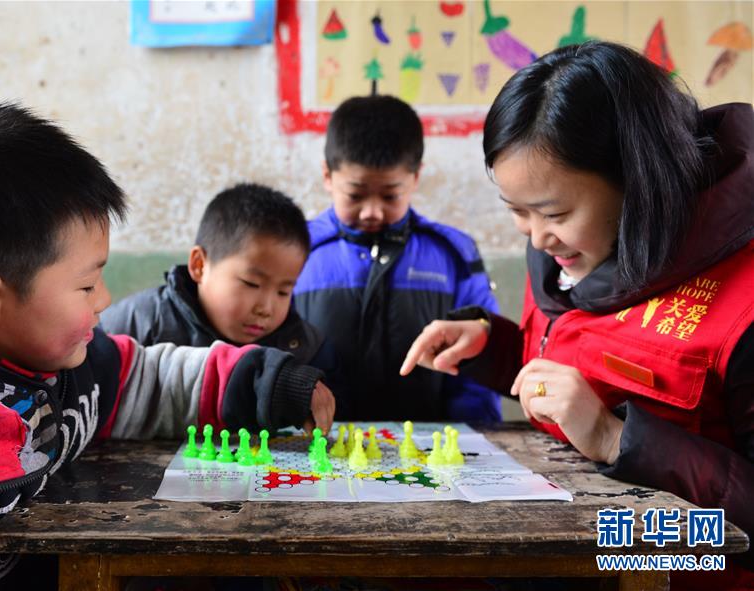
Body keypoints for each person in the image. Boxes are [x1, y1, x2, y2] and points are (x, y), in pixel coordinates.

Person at [0, 102, 335, 590]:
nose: (104, 299)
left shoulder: (69, 367)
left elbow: (145, 377)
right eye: (86, 286)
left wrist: (268, 383)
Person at [401, 41, 754, 588]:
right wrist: (491, 348)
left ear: (638, 183)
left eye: (554, 213)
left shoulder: (743, 302)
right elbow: (581, 356)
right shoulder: (569, 253)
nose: (538, 237)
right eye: (517, 212)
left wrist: (615, 439)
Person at [293, 94, 501, 422]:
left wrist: (473, 438)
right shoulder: (296, 250)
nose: (373, 210)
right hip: (317, 447)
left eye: (390, 195)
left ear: (416, 177)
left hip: (429, 450)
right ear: (328, 176)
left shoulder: (452, 255)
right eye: (356, 194)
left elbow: (478, 365)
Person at [101, 182, 345, 412]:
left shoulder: (307, 349)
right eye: (252, 284)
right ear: (199, 265)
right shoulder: (135, 324)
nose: (266, 308)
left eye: (284, 291)